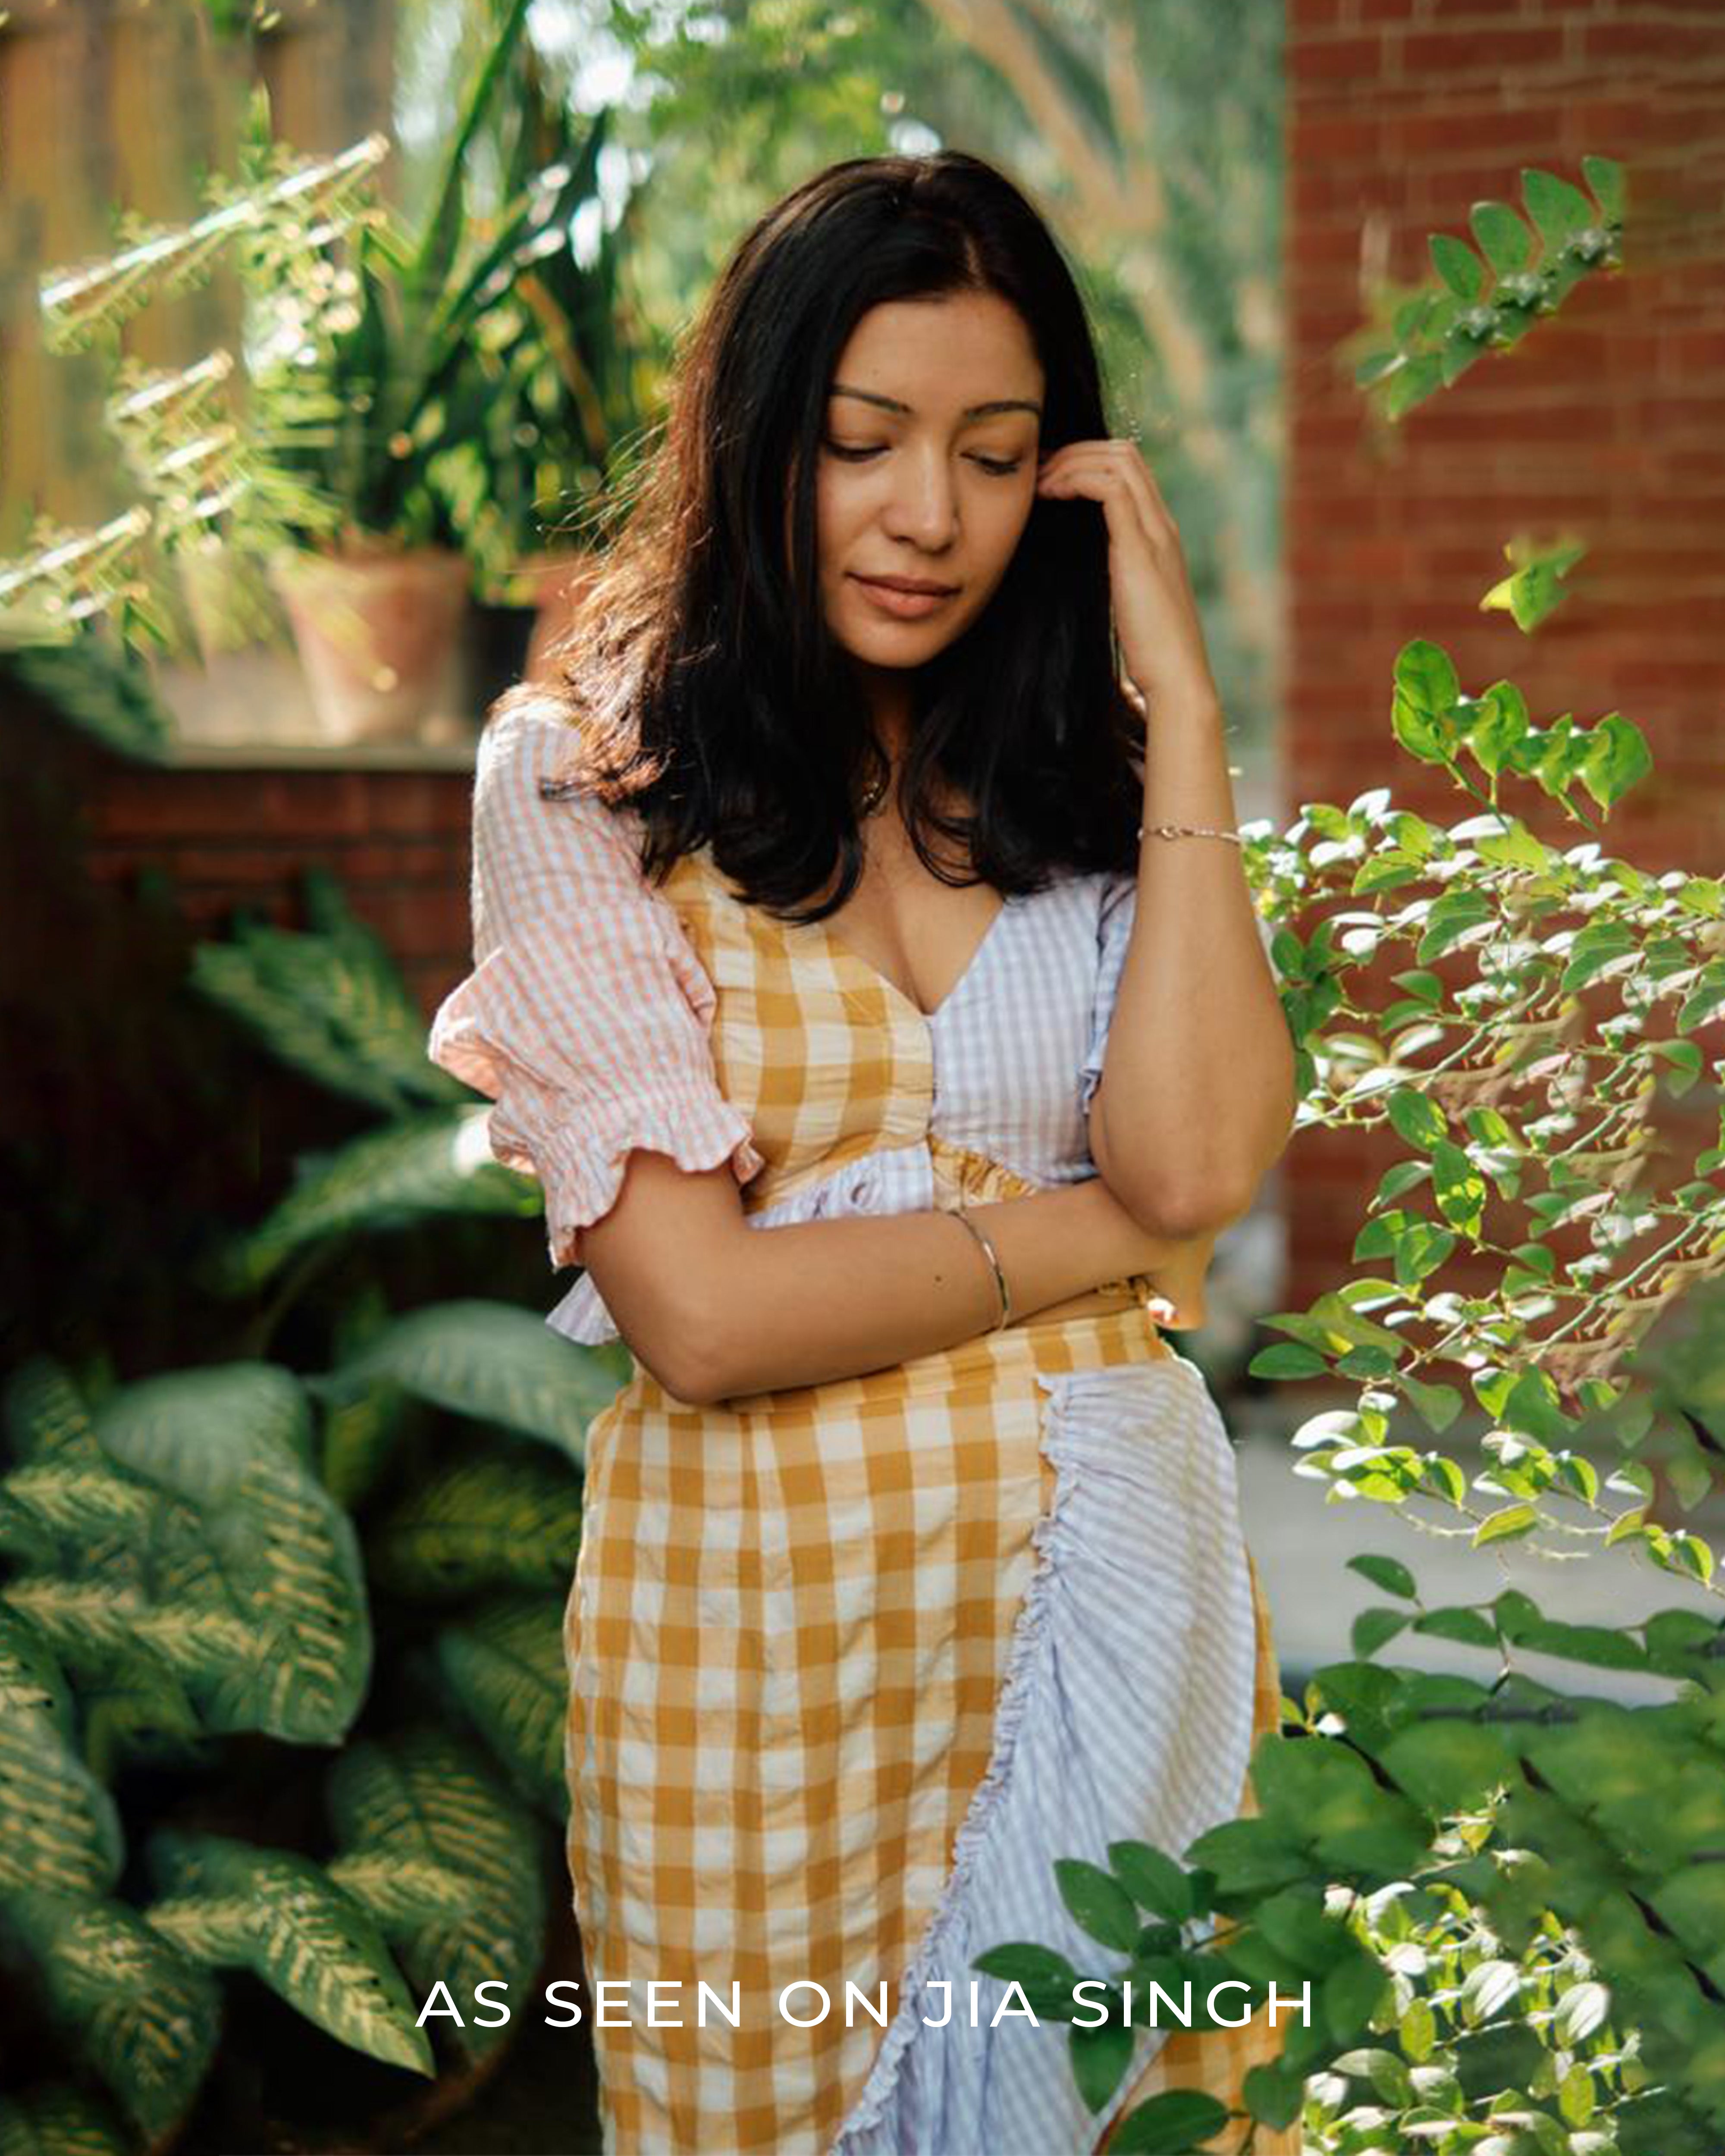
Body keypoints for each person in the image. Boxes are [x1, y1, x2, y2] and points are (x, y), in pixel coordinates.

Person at [428, 149, 1299, 2156]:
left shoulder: (1080, 774)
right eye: (862, 440)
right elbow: (706, 1314)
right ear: (757, 439)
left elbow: (1204, 1146)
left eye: (998, 457)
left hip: (1120, 1614)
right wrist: (1101, 1233)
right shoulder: (587, 776)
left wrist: (1179, 707)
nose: (930, 515)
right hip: (758, 1668)